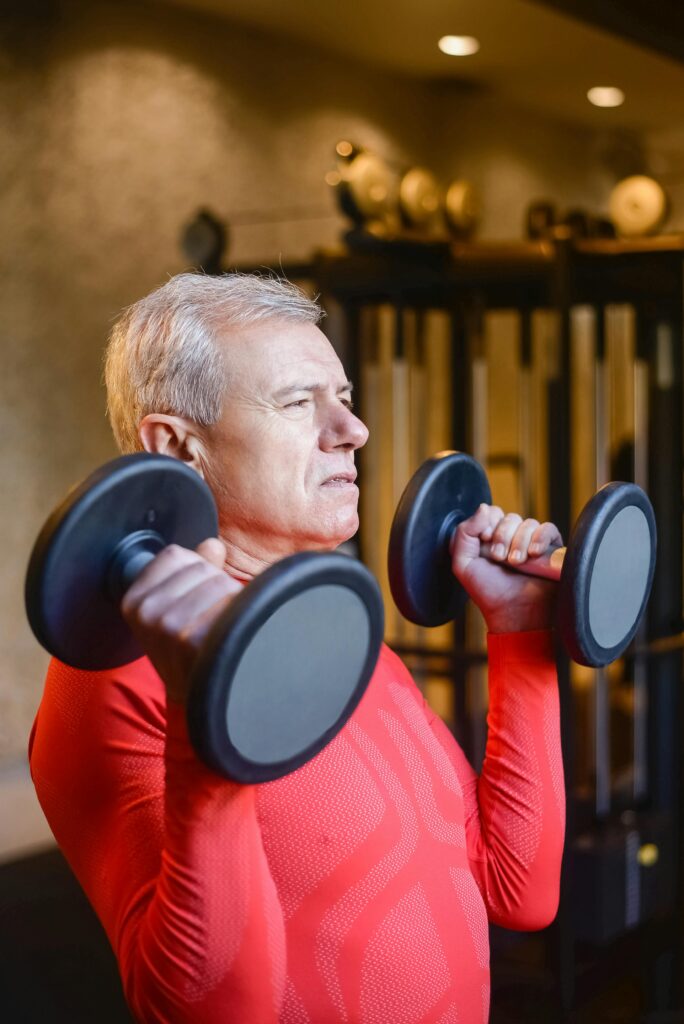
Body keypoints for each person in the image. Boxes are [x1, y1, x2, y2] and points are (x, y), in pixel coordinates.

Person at [29, 273, 565, 1024]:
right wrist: (201, 721)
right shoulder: (113, 675)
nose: (353, 429)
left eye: (342, 396)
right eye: (296, 402)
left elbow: (520, 894)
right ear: (177, 444)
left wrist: (522, 636)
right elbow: (211, 1013)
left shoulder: (335, 636)